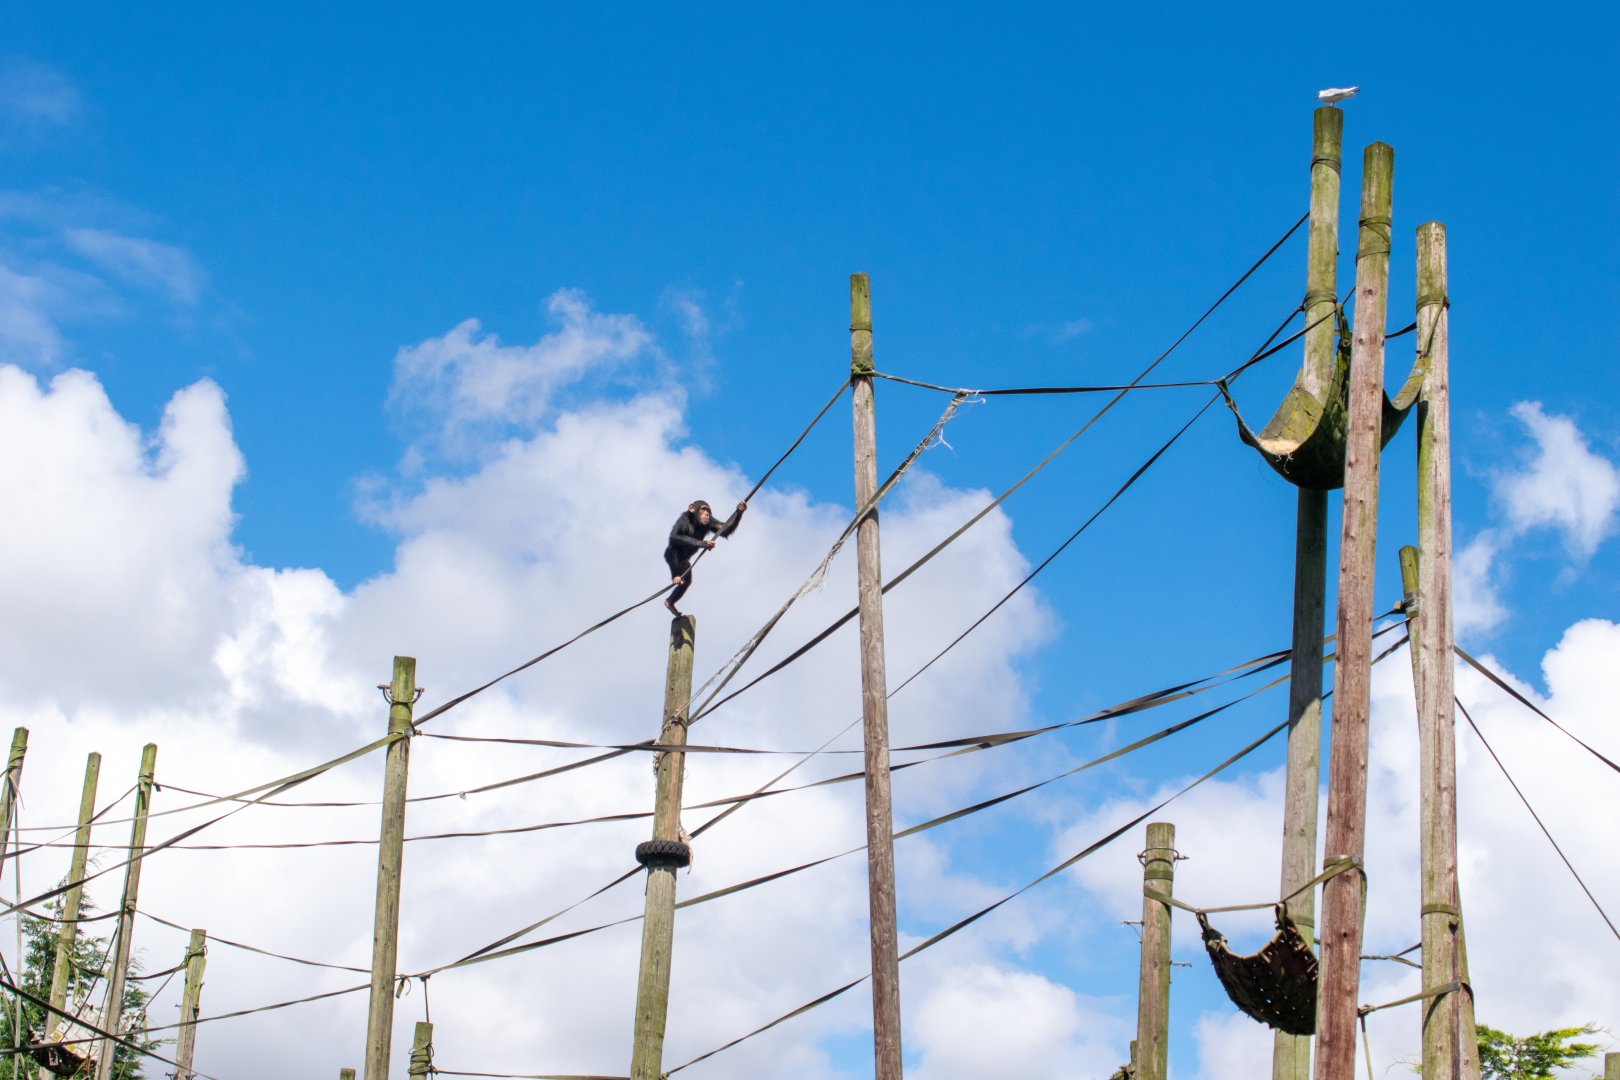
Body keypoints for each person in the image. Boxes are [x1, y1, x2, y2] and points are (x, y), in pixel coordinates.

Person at [664, 499, 747, 616]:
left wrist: (739, 513)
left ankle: (670, 601)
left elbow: (725, 531)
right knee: (674, 557)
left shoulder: (708, 521)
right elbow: (674, 537)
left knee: (687, 582)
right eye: (703, 509)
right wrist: (701, 543)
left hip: (684, 559)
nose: (707, 513)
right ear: (692, 509)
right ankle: (675, 576)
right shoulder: (686, 518)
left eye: (708, 510)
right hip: (674, 553)